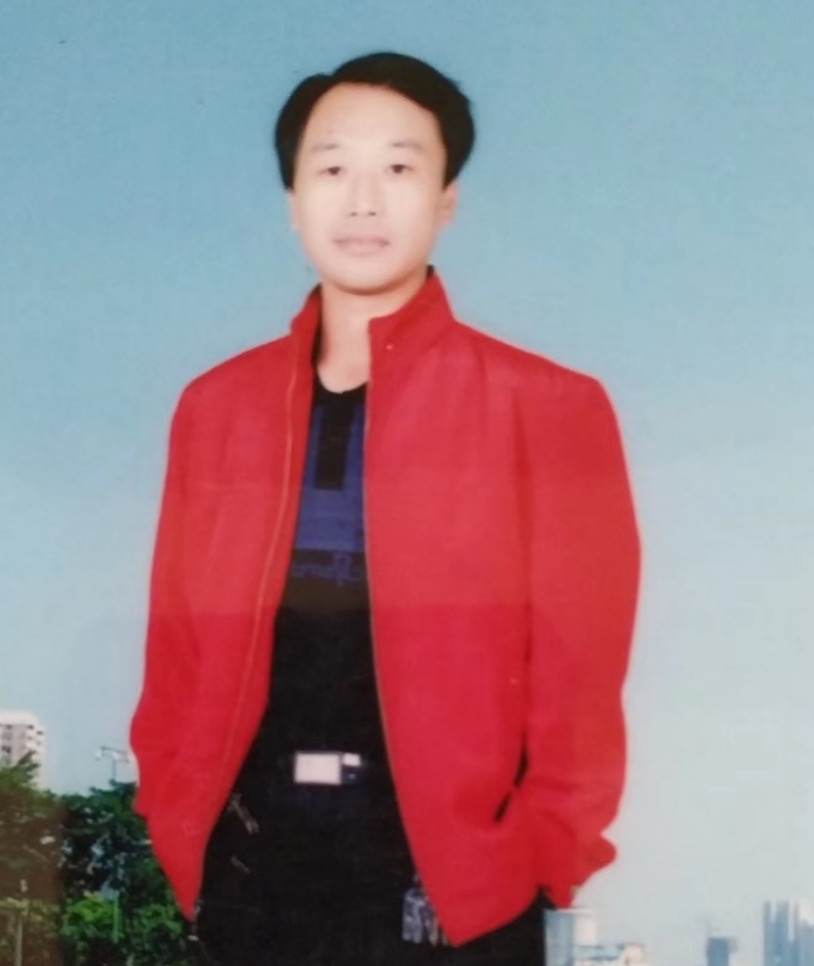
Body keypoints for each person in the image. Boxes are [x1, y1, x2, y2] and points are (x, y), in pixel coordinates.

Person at [130, 51, 641, 966]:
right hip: (252, 876)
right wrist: (181, 836)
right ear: (292, 200)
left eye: (399, 168)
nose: (362, 202)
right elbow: (175, 653)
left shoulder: (549, 406)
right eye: (332, 169)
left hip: (454, 894)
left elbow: (582, 684)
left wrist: (529, 865)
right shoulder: (216, 409)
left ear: (447, 200)